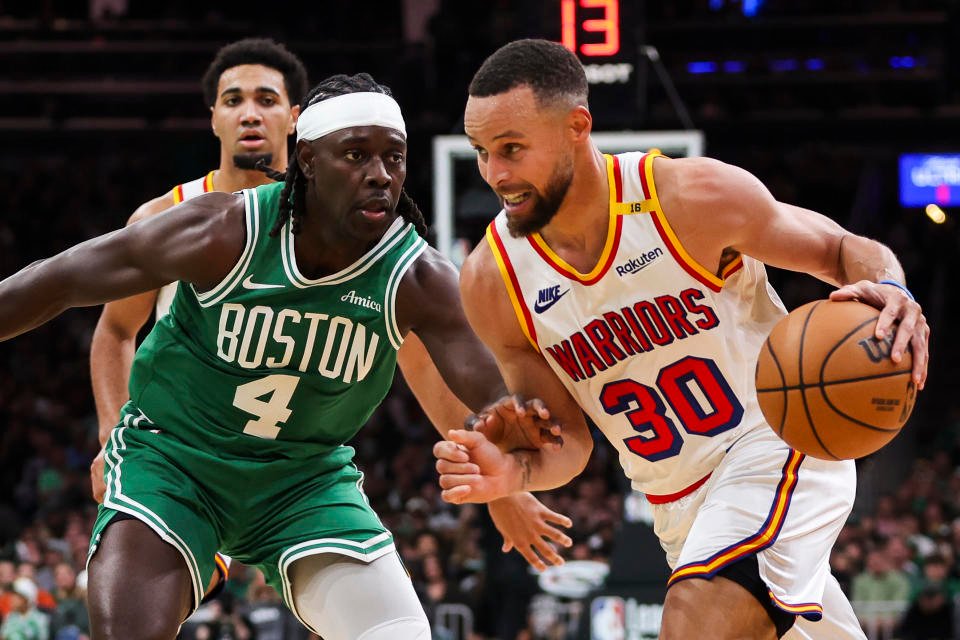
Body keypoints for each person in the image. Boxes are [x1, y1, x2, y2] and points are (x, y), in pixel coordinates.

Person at [0, 73, 558, 640]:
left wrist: (509, 421)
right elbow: (59, 281)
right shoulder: (223, 231)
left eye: (394, 157)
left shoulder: (416, 276)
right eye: (357, 155)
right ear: (308, 161)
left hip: (303, 480)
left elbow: (487, 389)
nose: (380, 175)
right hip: (175, 462)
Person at [434, 39, 930, 640]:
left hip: (778, 443)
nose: (496, 174)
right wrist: (515, 472)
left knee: (693, 624)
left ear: (577, 127)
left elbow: (838, 249)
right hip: (675, 508)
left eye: (512, 149)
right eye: (483, 153)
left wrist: (892, 286)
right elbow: (567, 444)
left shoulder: (688, 197)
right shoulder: (493, 279)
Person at [87, 37, 309, 602]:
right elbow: (114, 331)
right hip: (179, 453)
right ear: (214, 118)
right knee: (136, 605)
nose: (250, 112)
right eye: (233, 100)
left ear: (295, 117)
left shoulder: (331, 226)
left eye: (266, 98)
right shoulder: (165, 217)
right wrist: (113, 436)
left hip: (293, 459)